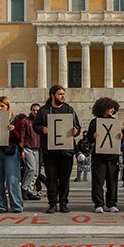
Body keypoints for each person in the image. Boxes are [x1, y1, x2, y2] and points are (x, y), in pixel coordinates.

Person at [33, 85, 81, 213]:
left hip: (66, 151)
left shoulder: (69, 110)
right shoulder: (44, 111)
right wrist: (42, 129)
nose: (62, 96)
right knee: (52, 179)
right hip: (50, 151)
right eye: (60, 94)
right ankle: (52, 203)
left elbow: (77, 127)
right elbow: (35, 126)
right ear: (52, 95)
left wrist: (75, 131)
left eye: (63, 94)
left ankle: (63, 203)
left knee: (65, 179)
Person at [85, 97, 121, 213]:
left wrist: (120, 137)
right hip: (99, 156)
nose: (112, 110)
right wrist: (93, 136)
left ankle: (111, 203)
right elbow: (89, 139)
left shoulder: (115, 121)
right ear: (103, 108)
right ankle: (98, 203)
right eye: (110, 107)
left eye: (113, 108)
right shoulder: (94, 122)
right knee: (98, 181)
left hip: (112, 156)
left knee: (112, 181)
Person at [0, 96, 24, 213]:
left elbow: (20, 139)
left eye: (2, 106)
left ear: (8, 107)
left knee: (12, 179)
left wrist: (13, 130)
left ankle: (17, 205)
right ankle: (0, 205)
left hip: (10, 151)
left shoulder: (15, 120)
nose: (0, 108)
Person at [19, 103, 42, 201]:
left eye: (37, 110)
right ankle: (23, 189)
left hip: (37, 148)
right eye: (33, 110)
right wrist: (22, 149)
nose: (35, 112)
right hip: (28, 148)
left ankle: (30, 191)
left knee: (36, 172)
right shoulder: (26, 121)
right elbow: (22, 136)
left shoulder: (41, 122)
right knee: (31, 169)